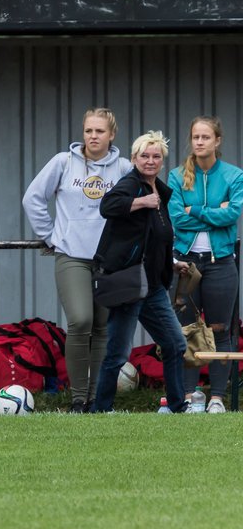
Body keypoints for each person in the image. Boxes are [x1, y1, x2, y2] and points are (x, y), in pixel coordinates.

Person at [23, 107, 132, 412]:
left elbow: (135, 207)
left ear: (111, 135)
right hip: (72, 255)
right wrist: (51, 235)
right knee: (80, 320)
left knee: (102, 326)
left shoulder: (122, 167)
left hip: (108, 260)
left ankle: (97, 398)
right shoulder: (64, 162)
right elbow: (33, 198)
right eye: (88, 131)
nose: (93, 136)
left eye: (99, 131)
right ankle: (78, 397)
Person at [92, 131, 190, 414]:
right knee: (118, 352)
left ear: (162, 160)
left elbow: (153, 239)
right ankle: (102, 408)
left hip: (154, 285)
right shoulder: (131, 184)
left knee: (174, 344)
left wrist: (171, 263)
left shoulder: (160, 189)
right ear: (134, 159)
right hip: (130, 283)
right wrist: (141, 202)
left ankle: (176, 405)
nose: (150, 161)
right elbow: (107, 205)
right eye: (144, 156)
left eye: (156, 156)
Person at [168, 115, 243, 413]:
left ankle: (217, 398)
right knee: (185, 330)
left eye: (205, 137)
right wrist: (213, 210)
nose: (199, 142)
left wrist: (195, 209)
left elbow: (232, 215)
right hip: (185, 263)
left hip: (221, 263)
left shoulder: (234, 176)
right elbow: (177, 217)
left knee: (219, 329)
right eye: (196, 137)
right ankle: (189, 397)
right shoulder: (176, 176)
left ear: (217, 141)